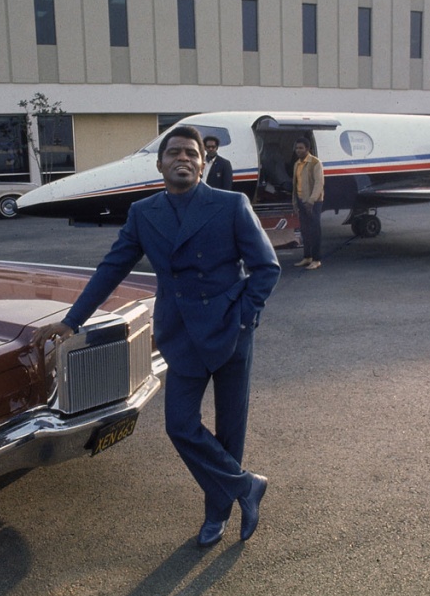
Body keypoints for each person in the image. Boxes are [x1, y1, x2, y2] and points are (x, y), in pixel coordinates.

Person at [34, 125, 280, 547]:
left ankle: (216, 515)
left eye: (191, 153)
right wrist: (73, 320)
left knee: (230, 429)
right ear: (160, 163)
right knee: (180, 425)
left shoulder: (231, 205)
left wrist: (243, 318)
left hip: (230, 332)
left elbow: (266, 268)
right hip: (181, 335)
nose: (183, 158)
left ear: (203, 164)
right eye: (175, 153)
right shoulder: (144, 212)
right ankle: (244, 486)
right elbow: (112, 268)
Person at [292, 137, 324, 270]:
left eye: (301, 148)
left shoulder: (315, 163)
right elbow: (296, 184)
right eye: (297, 148)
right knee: (304, 230)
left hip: (313, 202)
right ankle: (307, 257)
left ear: (307, 149)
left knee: (315, 230)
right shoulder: (296, 164)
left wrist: (311, 201)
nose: (298, 150)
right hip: (301, 200)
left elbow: (319, 183)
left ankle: (316, 260)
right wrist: (295, 202)